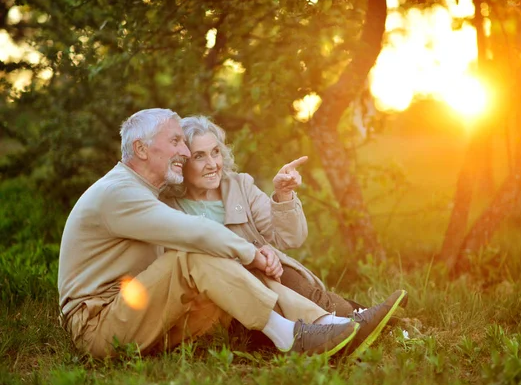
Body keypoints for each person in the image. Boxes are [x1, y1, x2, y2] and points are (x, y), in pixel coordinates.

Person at [57, 108, 405, 360]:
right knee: (194, 254)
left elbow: (285, 237)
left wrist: (262, 234)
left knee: (217, 260)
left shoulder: (148, 191)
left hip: (140, 314)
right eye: (176, 141)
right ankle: (294, 337)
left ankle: (327, 325)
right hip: (99, 327)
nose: (183, 150)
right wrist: (251, 252)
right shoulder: (119, 193)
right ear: (142, 149)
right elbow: (192, 232)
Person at [160, 115, 408, 342]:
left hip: (276, 278)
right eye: (199, 156)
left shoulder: (239, 186)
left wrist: (284, 195)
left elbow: (291, 238)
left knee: (286, 279)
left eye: (215, 152)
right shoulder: (166, 207)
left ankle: (366, 320)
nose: (213, 163)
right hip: (226, 301)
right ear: (181, 162)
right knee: (268, 282)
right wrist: (251, 257)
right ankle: (359, 318)